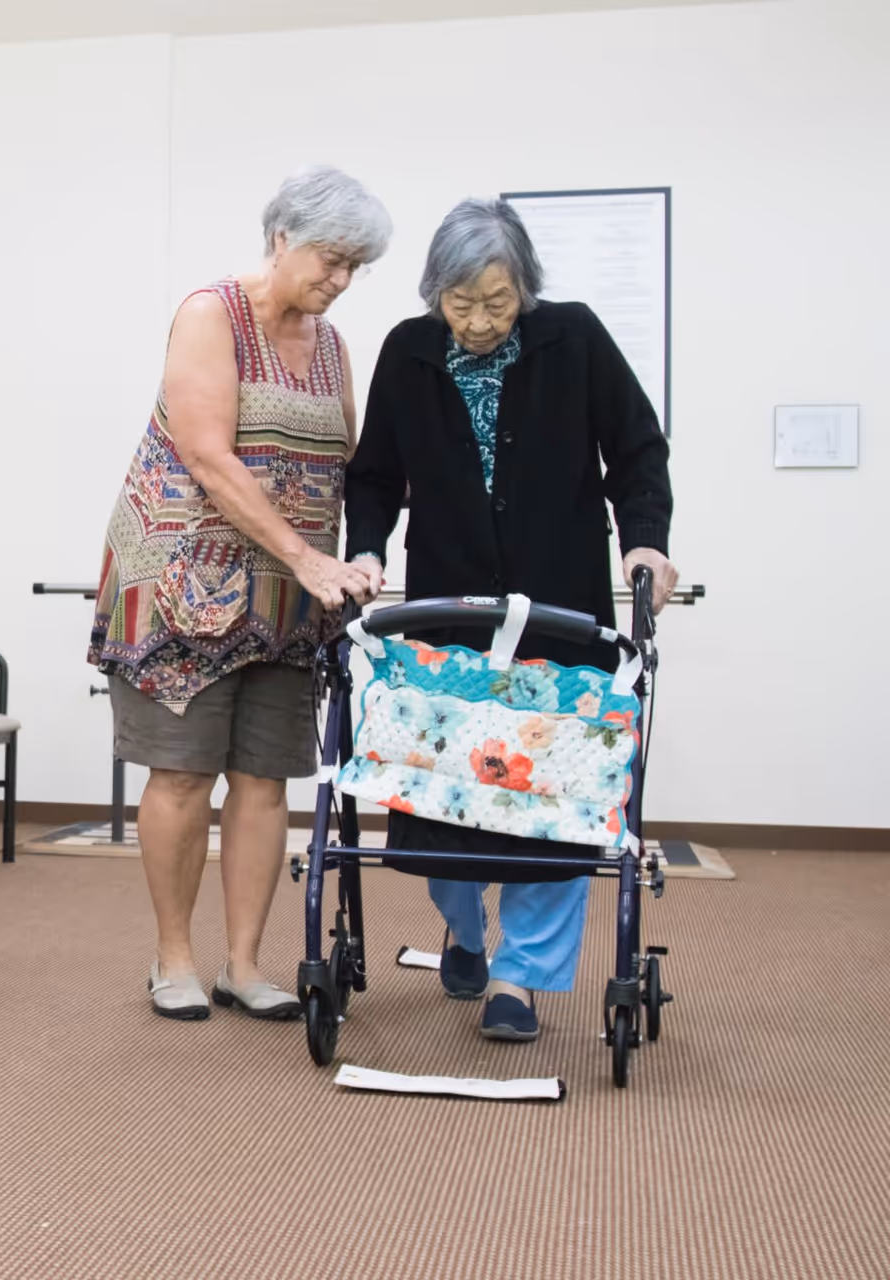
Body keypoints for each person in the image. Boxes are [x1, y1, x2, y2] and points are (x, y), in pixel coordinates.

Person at [343, 197, 676, 1043]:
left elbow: (637, 449)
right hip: (449, 608)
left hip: (562, 607)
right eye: (462, 304)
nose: (482, 321)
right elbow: (375, 473)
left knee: (559, 794)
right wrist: (369, 550)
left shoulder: (574, 337)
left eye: (498, 301)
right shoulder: (408, 352)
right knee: (442, 790)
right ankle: (463, 924)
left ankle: (519, 981)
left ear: (525, 287)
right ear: (433, 294)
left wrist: (644, 545)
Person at [89, 166, 391, 1022]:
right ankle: (174, 958)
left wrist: (350, 558)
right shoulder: (208, 314)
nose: (338, 282)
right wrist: (305, 556)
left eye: (353, 269)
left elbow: (350, 460)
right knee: (183, 773)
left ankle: (245, 963)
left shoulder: (332, 347)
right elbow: (208, 454)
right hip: (184, 579)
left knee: (265, 778)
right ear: (281, 237)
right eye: (330, 260)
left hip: (295, 590)